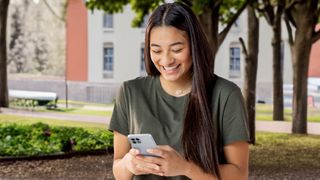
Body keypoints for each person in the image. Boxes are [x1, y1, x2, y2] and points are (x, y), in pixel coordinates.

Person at [109, 2, 250, 180]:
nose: (166, 60)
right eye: (156, 50)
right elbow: (118, 170)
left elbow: (239, 175)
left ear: (194, 46)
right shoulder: (131, 92)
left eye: (177, 49)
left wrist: (185, 168)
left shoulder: (226, 95)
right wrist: (128, 163)